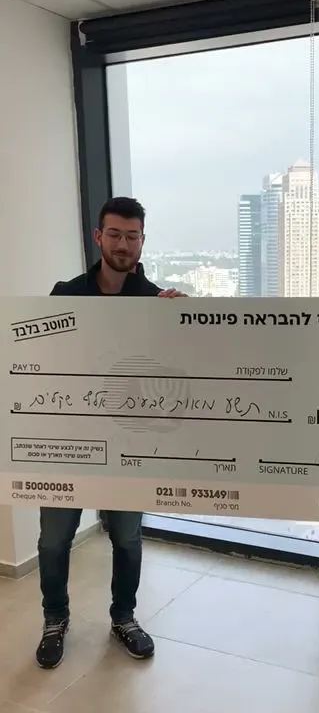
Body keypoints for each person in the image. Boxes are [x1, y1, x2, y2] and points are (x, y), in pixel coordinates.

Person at [36, 196, 186, 669]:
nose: (123, 244)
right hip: (69, 441)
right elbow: (43, 360)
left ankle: (124, 617)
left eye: (132, 236)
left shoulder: (157, 302)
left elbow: (174, 370)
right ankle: (54, 620)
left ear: (142, 241)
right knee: (53, 541)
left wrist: (185, 324)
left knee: (127, 538)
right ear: (98, 237)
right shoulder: (66, 295)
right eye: (115, 234)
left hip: (129, 443)